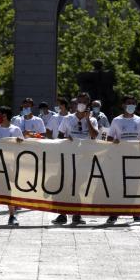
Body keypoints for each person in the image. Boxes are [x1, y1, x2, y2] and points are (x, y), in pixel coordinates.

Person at [52, 92, 99, 226]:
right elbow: (60, 136)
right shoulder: (67, 119)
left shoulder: (93, 120)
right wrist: (66, 139)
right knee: (66, 185)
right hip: (68, 158)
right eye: (79, 101)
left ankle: (76, 214)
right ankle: (63, 214)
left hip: (84, 159)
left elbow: (94, 135)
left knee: (77, 186)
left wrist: (88, 119)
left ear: (88, 104)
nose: (81, 104)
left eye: (84, 102)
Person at [106, 95, 140, 225]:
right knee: (118, 185)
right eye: (128, 103)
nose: (131, 106)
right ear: (123, 105)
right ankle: (114, 214)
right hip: (119, 158)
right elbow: (108, 138)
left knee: (135, 186)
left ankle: (137, 214)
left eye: (133, 103)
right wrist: (114, 141)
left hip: (136, 158)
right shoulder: (116, 121)